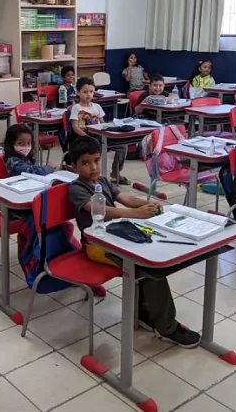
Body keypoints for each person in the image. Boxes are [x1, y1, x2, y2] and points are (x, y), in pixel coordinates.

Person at [67, 137, 200, 347]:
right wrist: (136, 214)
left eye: (96, 160)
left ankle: (146, 313)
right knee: (147, 267)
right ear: (73, 166)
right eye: (85, 163)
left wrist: (145, 203)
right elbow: (103, 210)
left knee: (151, 257)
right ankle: (166, 326)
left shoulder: (101, 181)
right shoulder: (76, 188)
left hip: (117, 236)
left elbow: (124, 197)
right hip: (97, 246)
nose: (93, 167)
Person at [69, 77, 128, 184]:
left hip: (99, 134)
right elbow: (75, 127)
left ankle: (115, 171)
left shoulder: (97, 106)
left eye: (91, 92)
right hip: (84, 136)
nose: (88, 94)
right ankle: (94, 175)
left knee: (122, 146)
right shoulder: (76, 108)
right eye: (85, 92)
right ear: (78, 93)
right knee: (95, 147)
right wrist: (87, 138)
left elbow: (103, 124)